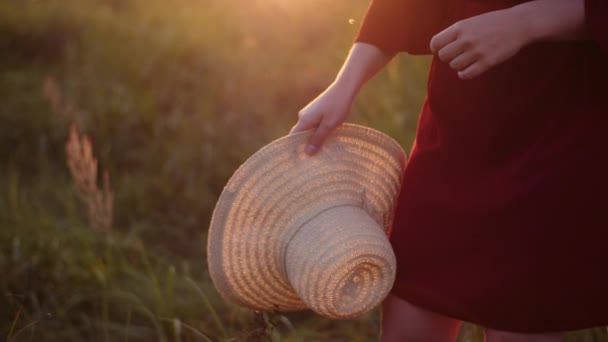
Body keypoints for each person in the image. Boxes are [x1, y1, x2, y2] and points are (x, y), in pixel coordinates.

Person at [289, 0, 608, 341]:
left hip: (559, 140)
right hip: (453, 136)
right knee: (410, 321)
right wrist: (345, 85)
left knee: (516, 324)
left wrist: (526, 22)